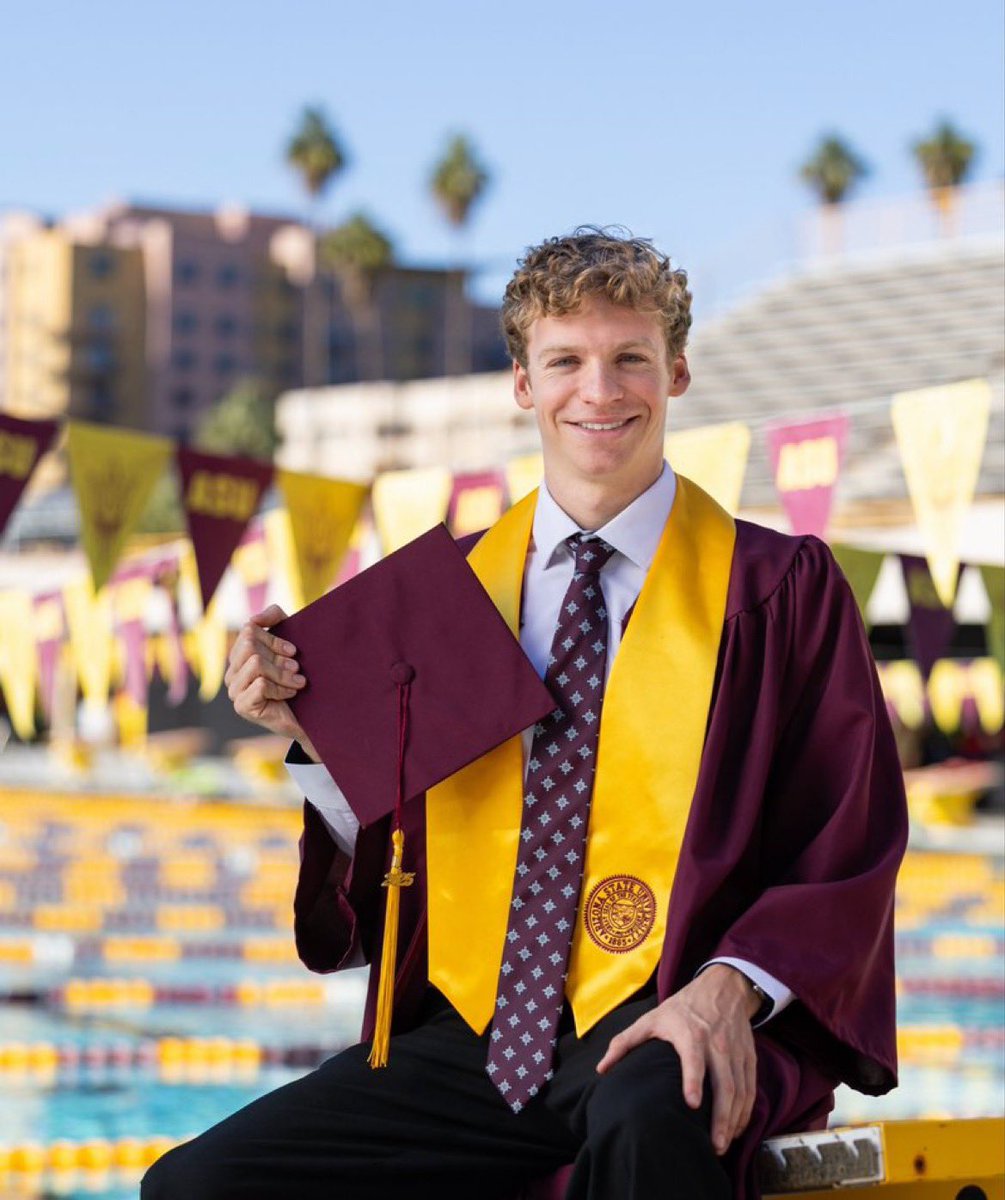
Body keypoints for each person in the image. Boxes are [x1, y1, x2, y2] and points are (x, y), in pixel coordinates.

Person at [142, 228, 907, 1200]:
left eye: (630, 357)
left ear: (677, 371)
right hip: (478, 1038)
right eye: (566, 362)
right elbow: (388, 873)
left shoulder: (774, 589)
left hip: (669, 1012)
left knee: (651, 1117)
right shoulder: (449, 595)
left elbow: (848, 838)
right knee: (199, 1187)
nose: (600, 391)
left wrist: (728, 992)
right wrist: (316, 742)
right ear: (521, 382)